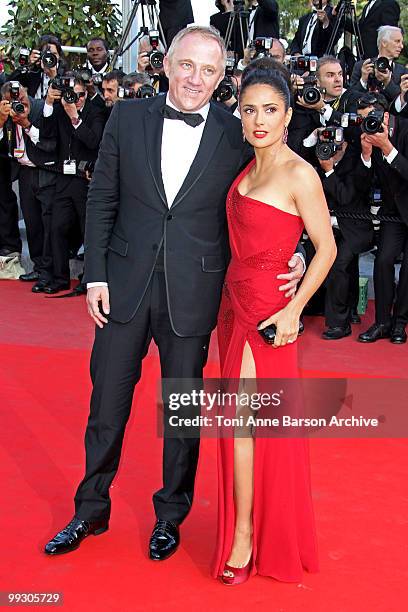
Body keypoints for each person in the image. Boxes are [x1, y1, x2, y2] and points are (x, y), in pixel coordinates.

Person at [43, 25, 305, 561]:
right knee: (106, 406)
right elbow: (102, 199)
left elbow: (275, 194)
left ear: (221, 79)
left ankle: (170, 515)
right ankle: (90, 510)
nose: (196, 79)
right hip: (122, 286)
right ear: (166, 64)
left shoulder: (237, 134)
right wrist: (94, 274)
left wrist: (293, 252)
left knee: (181, 414)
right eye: (188, 65)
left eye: (209, 71)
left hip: (196, 293)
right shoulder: (128, 116)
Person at [213, 65, 336, 585]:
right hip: (231, 309)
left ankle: (249, 535)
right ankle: (244, 528)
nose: (259, 120)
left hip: (269, 317)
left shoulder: (299, 173)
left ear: (288, 115)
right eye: (249, 110)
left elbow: (328, 248)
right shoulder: (246, 166)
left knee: (255, 427)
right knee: (239, 426)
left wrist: (293, 310)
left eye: (270, 110)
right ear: (239, 116)